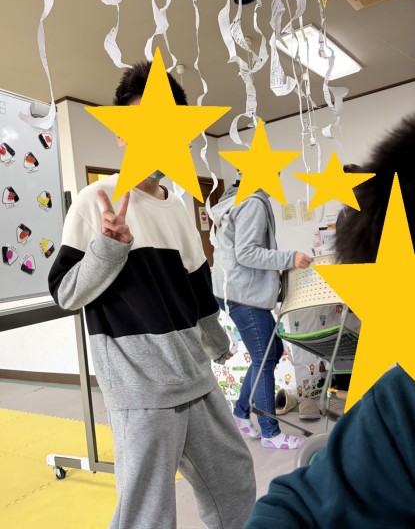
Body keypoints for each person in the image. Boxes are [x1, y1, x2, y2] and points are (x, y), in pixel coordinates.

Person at [48, 62, 256, 529]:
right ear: (121, 134)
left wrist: (218, 345)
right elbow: (65, 292)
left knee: (234, 481)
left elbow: (198, 292)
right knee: (148, 514)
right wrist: (108, 249)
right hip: (141, 390)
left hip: (196, 378)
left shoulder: (179, 207)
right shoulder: (96, 201)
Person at [244, 114, 415, 528]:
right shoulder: (399, 402)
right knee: (270, 358)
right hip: (270, 304)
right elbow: (298, 504)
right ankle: (265, 422)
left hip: (301, 312)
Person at [211, 175, 312, 449]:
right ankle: (271, 433)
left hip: (234, 290)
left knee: (271, 352)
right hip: (244, 294)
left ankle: (241, 411)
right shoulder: (253, 203)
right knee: (265, 358)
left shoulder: (234, 199)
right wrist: (290, 257)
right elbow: (247, 253)